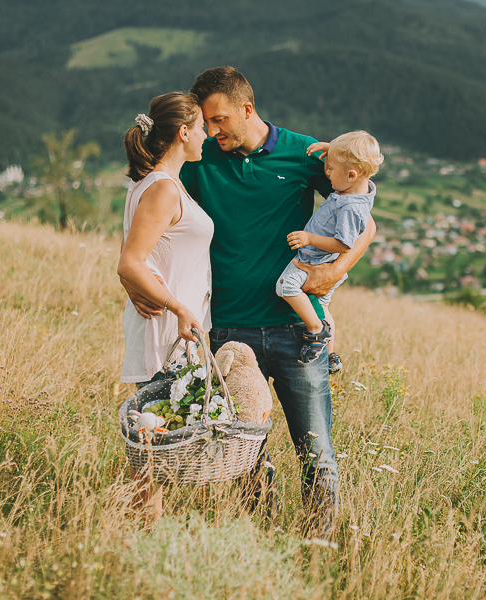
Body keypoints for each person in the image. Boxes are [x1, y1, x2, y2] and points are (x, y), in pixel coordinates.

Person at [122, 67, 375, 538]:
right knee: (243, 457)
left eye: (220, 120)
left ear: (247, 109)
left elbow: (363, 218)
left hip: (296, 330)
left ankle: (318, 543)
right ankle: (259, 539)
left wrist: (335, 271)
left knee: (317, 452)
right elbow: (157, 213)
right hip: (227, 332)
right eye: (206, 123)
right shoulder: (197, 158)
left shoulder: (305, 153)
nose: (212, 131)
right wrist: (137, 279)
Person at [118, 91, 213, 519]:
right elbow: (131, 262)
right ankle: (143, 531)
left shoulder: (161, 184)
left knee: (157, 441)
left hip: (175, 330)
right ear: (184, 132)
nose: (208, 136)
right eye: (203, 128)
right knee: (151, 445)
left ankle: (146, 529)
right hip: (163, 332)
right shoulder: (160, 189)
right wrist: (179, 308)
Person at [278, 131, 383, 371]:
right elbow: (357, 166)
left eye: (331, 170)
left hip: (316, 261)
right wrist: (335, 153)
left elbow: (344, 244)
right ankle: (331, 353)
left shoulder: (350, 207)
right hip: (326, 262)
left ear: (351, 174)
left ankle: (316, 331)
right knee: (323, 306)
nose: (326, 173)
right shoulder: (360, 188)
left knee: (285, 287)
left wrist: (309, 238)